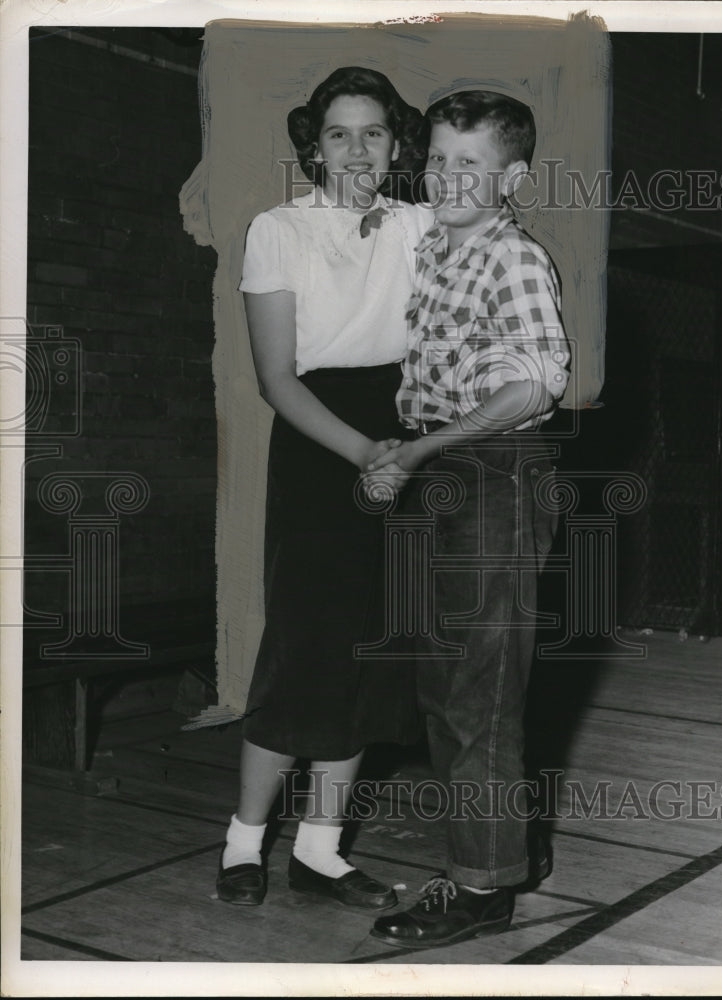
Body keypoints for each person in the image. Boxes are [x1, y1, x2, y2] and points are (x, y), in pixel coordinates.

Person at [216, 66, 434, 911]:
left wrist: (406, 451)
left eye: (373, 132)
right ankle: (243, 841)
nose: (356, 149)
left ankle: (320, 850)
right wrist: (363, 452)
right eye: (338, 133)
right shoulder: (278, 228)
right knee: (306, 646)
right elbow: (277, 378)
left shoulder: (422, 224)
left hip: (403, 436)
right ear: (313, 142)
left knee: (370, 651)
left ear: (395, 143)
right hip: (321, 440)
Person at [365, 90, 571, 947]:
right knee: (444, 687)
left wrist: (417, 452)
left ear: (513, 177)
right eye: (440, 158)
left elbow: (534, 385)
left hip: (497, 472)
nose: (448, 177)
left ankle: (483, 890)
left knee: (479, 692)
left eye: (471, 164)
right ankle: (500, 850)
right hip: (447, 469)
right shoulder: (440, 252)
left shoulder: (513, 258)